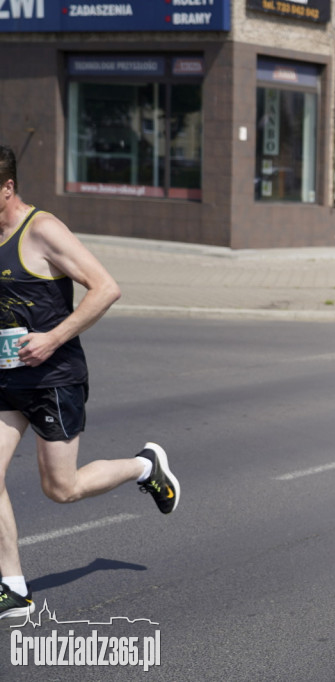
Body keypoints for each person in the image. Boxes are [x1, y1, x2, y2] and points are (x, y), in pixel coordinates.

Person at [0, 144, 180, 621]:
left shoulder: (42, 230)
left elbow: (106, 287)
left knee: (61, 489)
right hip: (4, 379)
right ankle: (14, 588)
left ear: (8, 187)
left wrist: (52, 339)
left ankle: (145, 467)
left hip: (52, 379)